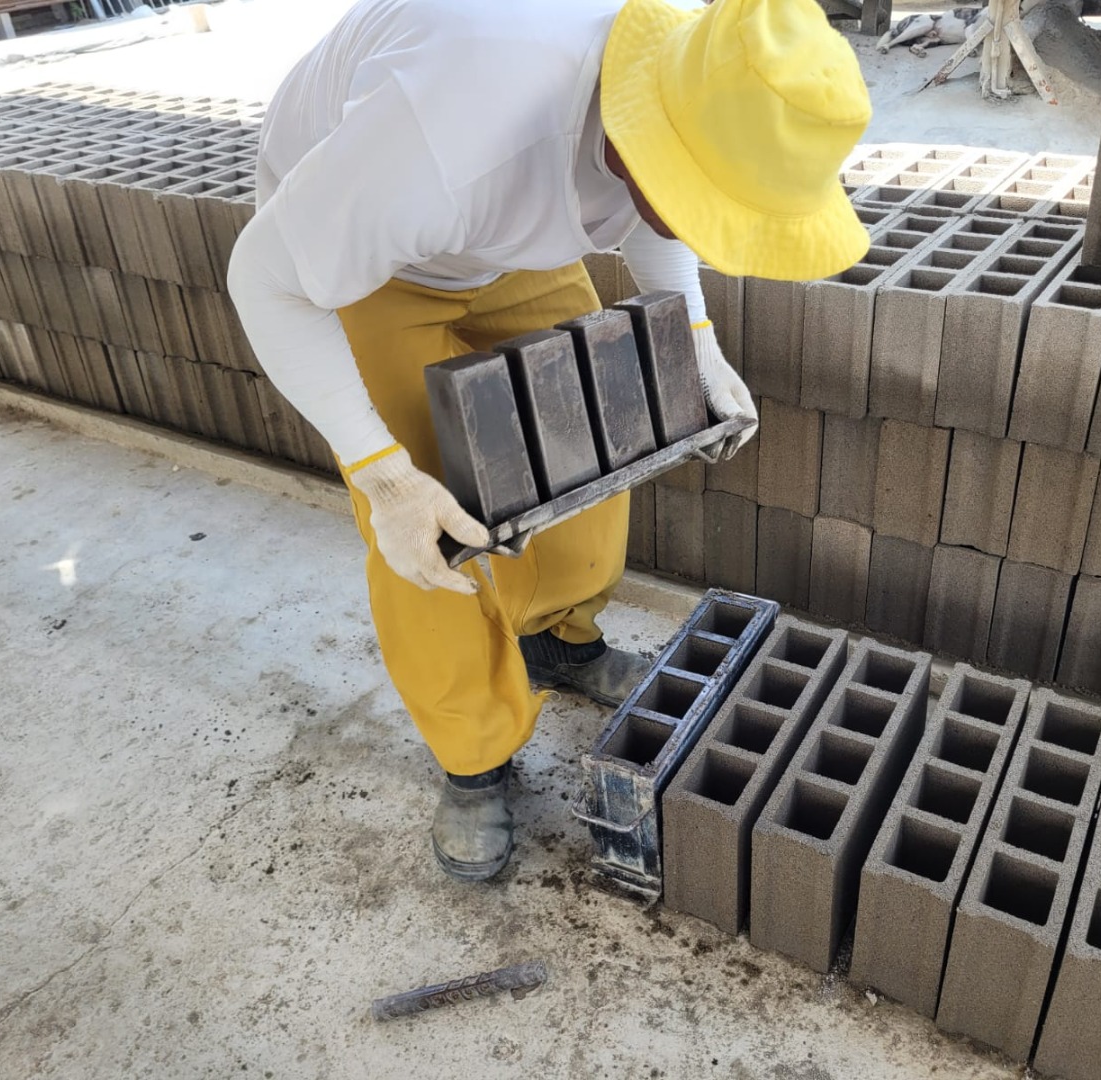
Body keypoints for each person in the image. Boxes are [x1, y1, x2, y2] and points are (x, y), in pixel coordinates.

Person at [227, 0, 872, 882]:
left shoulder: (699, 66)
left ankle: (560, 638)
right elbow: (264, 280)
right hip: (372, 261)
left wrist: (697, 338)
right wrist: (383, 474)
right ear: (637, 140)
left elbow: (663, 212)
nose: (704, 229)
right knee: (437, 532)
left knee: (590, 434)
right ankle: (473, 752)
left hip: (501, 232)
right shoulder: (444, 134)